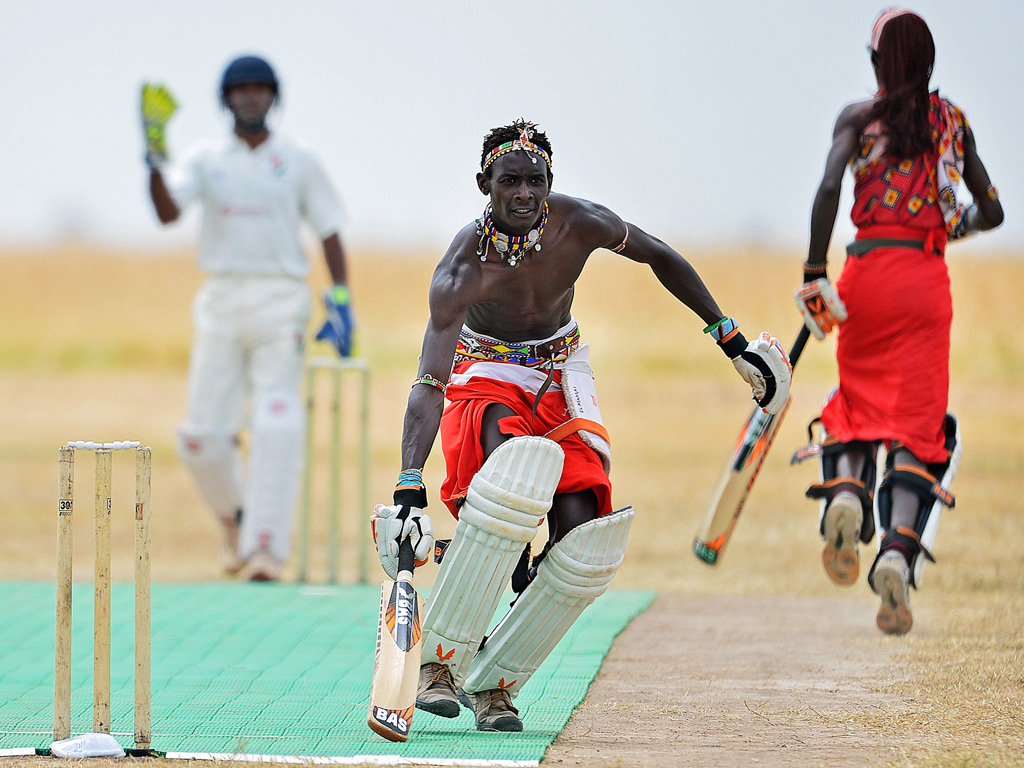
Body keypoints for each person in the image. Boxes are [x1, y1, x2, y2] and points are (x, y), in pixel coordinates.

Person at [369, 119, 792, 732]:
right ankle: (441, 663)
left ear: (550, 183)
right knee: (508, 494)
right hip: (485, 372)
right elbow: (429, 384)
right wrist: (410, 484)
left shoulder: (580, 224)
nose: (523, 194)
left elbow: (659, 256)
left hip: (561, 370)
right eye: (509, 181)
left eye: (534, 181)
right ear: (483, 183)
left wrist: (730, 339)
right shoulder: (463, 268)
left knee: (579, 542)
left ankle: (496, 682)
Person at [793, 8, 1003, 635]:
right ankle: (894, 551)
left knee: (856, 407)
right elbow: (991, 211)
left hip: (866, 277)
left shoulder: (859, 120)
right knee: (918, 426)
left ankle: (848, 497)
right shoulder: (953, 124)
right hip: (924, 281)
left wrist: (813, 270)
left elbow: (828, 187)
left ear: (878, 63)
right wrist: (942, 228)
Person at [140, 54, 355, 581]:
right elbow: (168, 213)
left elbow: (329, 229)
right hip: (220, 297)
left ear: (273, 97)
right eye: (242, 90)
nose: (251, 97)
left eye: (261, 89)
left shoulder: (298, 159)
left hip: (282, 298)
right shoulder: (205, 158)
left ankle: (265, 550)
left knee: (276, 423)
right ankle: (236, 518)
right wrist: (152, 159)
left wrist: (342, 300)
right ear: (227, 99)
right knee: (200, 437)